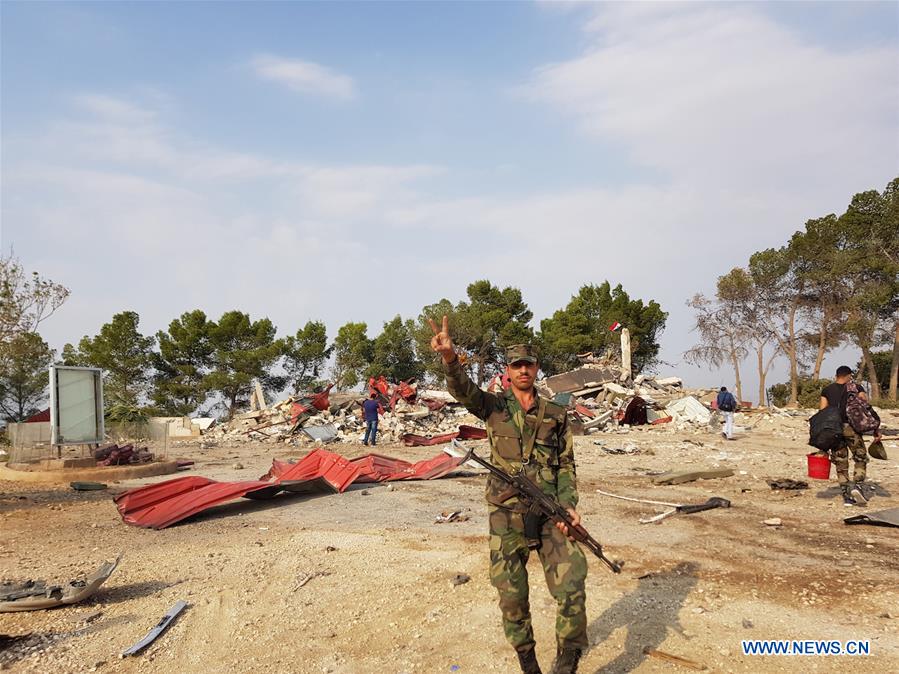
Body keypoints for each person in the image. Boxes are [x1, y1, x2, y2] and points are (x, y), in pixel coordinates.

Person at [429, 315, 587, 674]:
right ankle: (528, 662)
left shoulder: (556, 414)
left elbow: (566, 465)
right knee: (512, 595)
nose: (523, 371)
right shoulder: (494, 407)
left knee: (573, 583)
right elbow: (462, 390)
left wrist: (569, 505)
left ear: (536, 369)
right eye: (516, 365)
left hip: (549, 513)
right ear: (508, 370)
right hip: (506, 514)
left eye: (528, 365)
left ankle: (567, 659)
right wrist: (451, 359)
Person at [819, 366, 881, 506]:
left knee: (841, 462)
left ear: (836, 375)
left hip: (835, 430)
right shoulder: (857, 388)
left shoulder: (827, 390)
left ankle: (847, 496)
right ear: (848, 376)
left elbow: (822, 412)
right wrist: (876, 428)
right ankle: (858, 485)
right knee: (860, 457)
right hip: (852, 429)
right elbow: (866, 409)